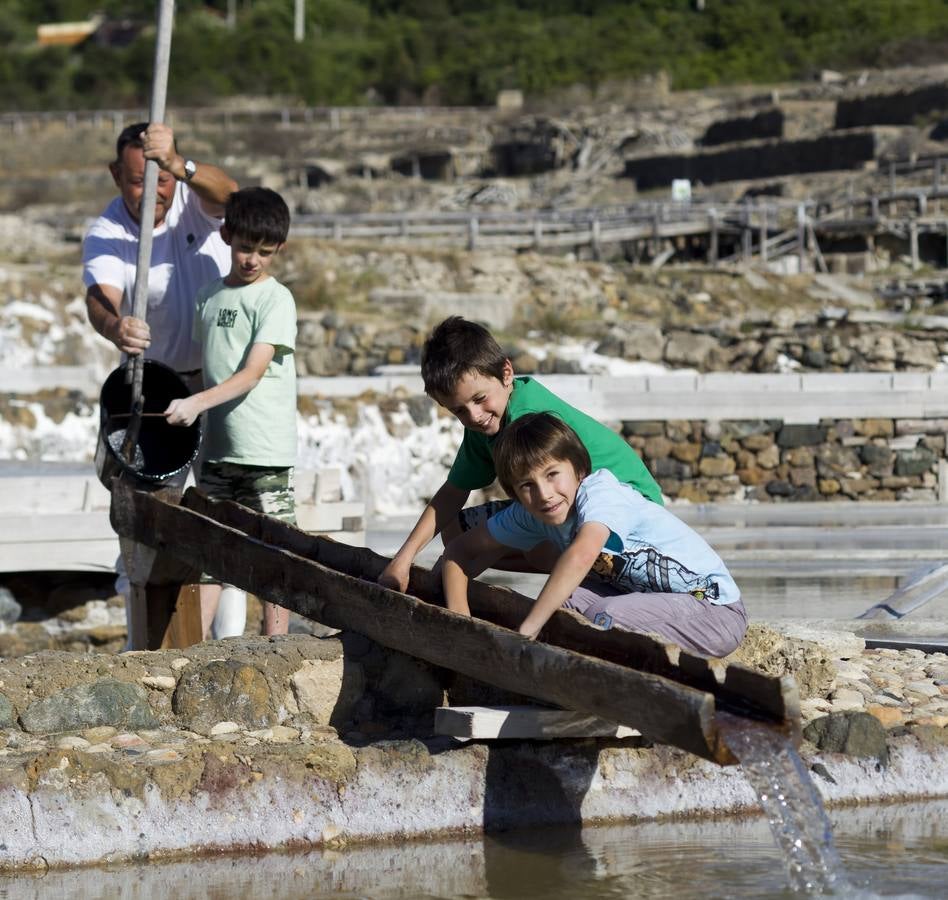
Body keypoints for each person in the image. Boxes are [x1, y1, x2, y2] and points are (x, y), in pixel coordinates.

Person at [82, 121, 239, 645]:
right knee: (142, 520)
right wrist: (116, 324)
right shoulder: (107, 232)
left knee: (226, 513)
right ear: (115, 176)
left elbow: (233, 196)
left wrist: (180, 167)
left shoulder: (194, 203)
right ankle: (141, 643)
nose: (151, 192)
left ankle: (228, 643)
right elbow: (98, 299)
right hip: (157, 391)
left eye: (159, 181)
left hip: (218, 385)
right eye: (136, 181)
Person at [377, 316, 663, 592]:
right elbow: (453, 492)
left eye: (479, 399)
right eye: (459, 410)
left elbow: (527, 512)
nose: (474, 416)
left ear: (506, 373)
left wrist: (455, 563)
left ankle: (586, 570)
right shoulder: (486, 421)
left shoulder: (528, 419)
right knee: (457, 529)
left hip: (631, 513)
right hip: (571, 510)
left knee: (518, 544)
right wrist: (403, 559)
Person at [443, 413, 747, 657]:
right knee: (567, 604)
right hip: (649, 603)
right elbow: (460, 551)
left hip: (713, 611)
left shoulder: (600, 492)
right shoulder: (529, 513)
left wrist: (527, 631)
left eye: (552, 475)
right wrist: (461, 622)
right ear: (515, 493)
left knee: (604, 615)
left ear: (579, 470)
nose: (544, 494)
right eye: (527, 485)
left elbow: (582, 553)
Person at [164, 186, 297, 637]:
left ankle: (277, 643)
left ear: (278, 249)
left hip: (264, 449)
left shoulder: (275, 300)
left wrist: (195, 403)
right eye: (244, 248)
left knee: (275, 548)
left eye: (263, 252)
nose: (252, 260)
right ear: (226, 237)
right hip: (218, 449)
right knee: (211, 549)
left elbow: (252, 372)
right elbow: (209, 370)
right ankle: (197, 646)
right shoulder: (208, 297)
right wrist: (180, 400)